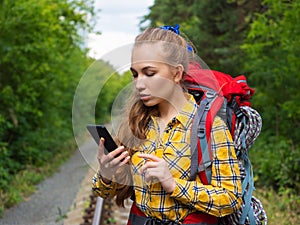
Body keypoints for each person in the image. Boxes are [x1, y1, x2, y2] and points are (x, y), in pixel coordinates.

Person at [92, 25, 242, 225]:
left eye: (149, 73)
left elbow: (231, 199)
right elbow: (103, 192)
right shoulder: (138, 123)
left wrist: (173, 184)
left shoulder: (210, 127)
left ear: (177, 74)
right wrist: (107, 172)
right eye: (135, 74)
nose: (138, 84)